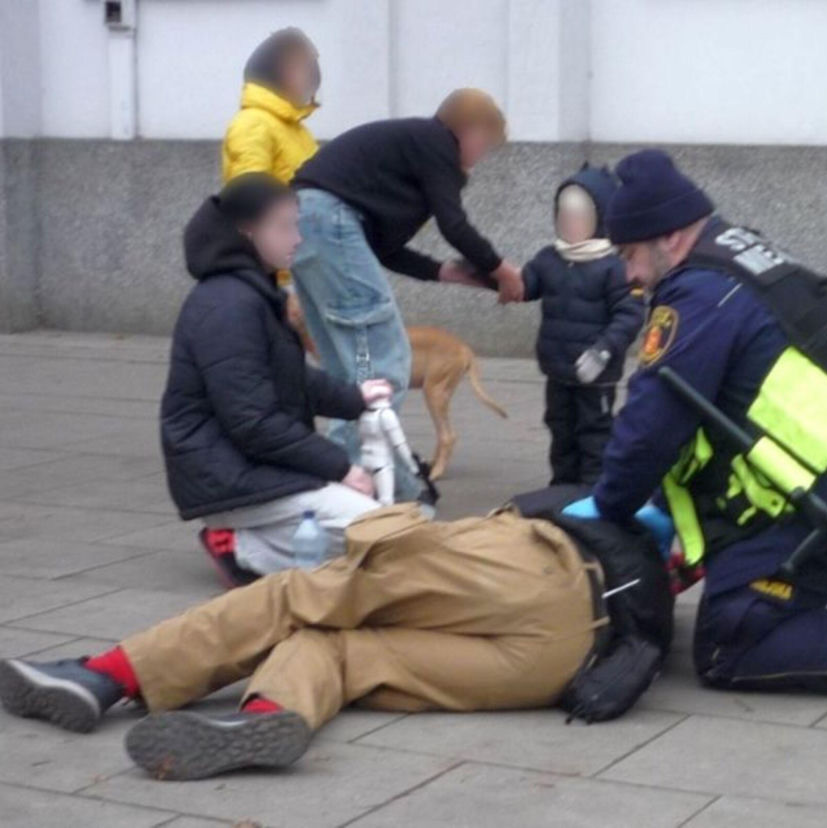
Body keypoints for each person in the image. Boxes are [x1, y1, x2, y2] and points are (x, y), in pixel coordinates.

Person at [569, 149, 827, 697]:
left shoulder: (698, 293)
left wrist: (609, 512)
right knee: (737, 586)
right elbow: (716, 413)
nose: (631, 275)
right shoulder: (737, 251)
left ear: (669, 237)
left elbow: (651, 426)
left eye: (631, 253)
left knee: (726, 643)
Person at [0, 498, 672, 781]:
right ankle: (266, 718)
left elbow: (594, 495)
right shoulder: (726, 509)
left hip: (540, 561)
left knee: (298, 596)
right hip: (565, 659)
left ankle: (107, 674)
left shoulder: (659, 427)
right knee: (346, 649)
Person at [291, 88, 523, 500]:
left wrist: (448, 273)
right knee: (382, 365)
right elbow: (455, 225)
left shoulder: (411, 149)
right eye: (485, 144)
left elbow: (384, 248)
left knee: (350, 369)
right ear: (468, 131)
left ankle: (340, 481)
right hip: (329, 221)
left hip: (304, 225)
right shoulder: (438, 143)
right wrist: (503, 270)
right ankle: (359, 485)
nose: (480, 156)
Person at [163, 173, 392, 587]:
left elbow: (287, 378)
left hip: (244, 465)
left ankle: (256, 538)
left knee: (385, 535)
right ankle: (238, 547)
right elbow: (252, 421)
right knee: (379, 537)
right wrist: (340, 467)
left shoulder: (251, 291)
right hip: (226, 476)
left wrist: (353, 397)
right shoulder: (229, 306)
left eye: (296, 224)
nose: (298, 238)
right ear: (247, 233)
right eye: (285, 227)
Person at [520, 165, 644, 485]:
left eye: (578, 215)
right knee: (560, 430)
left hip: (595, 374)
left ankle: (590, 493)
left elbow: (630, 314)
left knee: (594, 434)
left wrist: (603, 351)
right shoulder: (550, 257)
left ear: (600, 219)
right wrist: (491, 275)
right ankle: (561, 488)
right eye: (563, 214)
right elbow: (523, 286)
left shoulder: (616, 265)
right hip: (558, 369)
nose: (569, 222)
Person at [221, 27, 322, 335]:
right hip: (274, 271)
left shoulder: (294, 129)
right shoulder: (253, 124)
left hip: (299, 263)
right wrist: (282, 280)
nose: (312, 81)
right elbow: (250, 197)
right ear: (282, 71)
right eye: (305, 71)